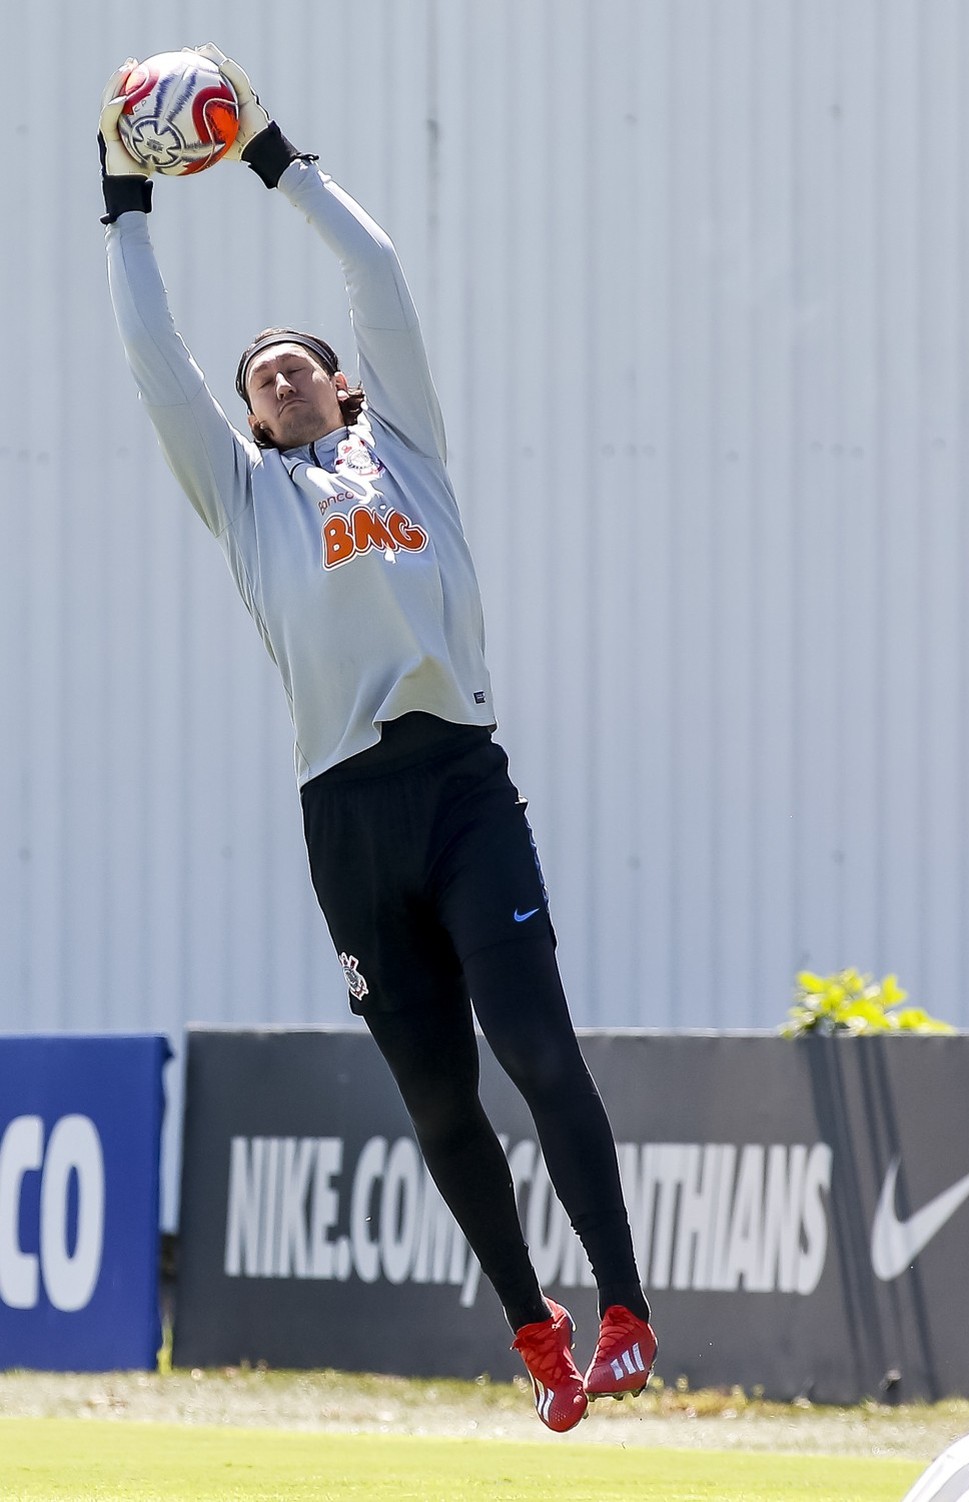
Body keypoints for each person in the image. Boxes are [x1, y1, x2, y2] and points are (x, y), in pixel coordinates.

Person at [98, 44, 656, 1434]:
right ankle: (534, 1328)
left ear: (348, 392)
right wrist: (126, 197)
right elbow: (155, 357)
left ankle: (628, 1305)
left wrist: (273, 154)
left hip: (461, 782)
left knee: (536, 1045)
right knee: (439, 1090)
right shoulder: (245, 501)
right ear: (249, 420)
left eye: (301, 363)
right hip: (345, 815)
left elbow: (380, 276)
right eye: (262, 375)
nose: (279, 372)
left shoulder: (403, 445)